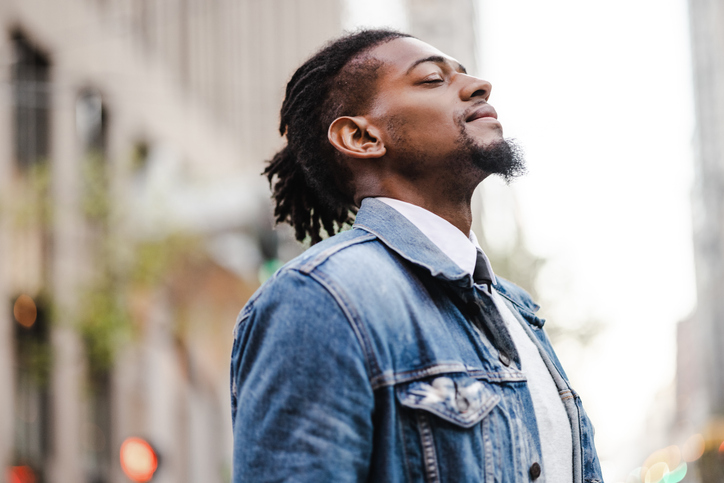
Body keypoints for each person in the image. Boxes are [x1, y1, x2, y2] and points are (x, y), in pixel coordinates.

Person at [230, 29, 603, 483]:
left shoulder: (516, 309)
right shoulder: (322, 298)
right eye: (431, 79)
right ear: (362, 136)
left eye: (465, 74)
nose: (478, 86)